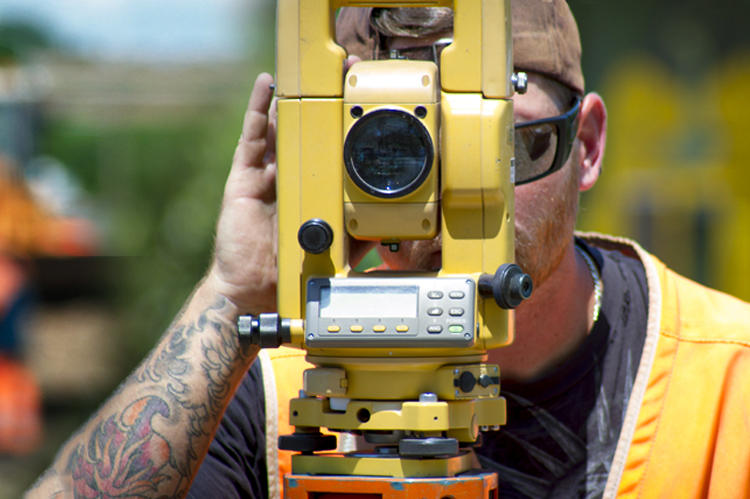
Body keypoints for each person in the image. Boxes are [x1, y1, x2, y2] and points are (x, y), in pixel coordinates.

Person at [26, 1, 750, 498]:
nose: (435, 201)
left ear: (585, 145)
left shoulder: (728, 385)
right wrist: (233, 294)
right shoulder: (277, 386)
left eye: (499, 148)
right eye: (394, 151)